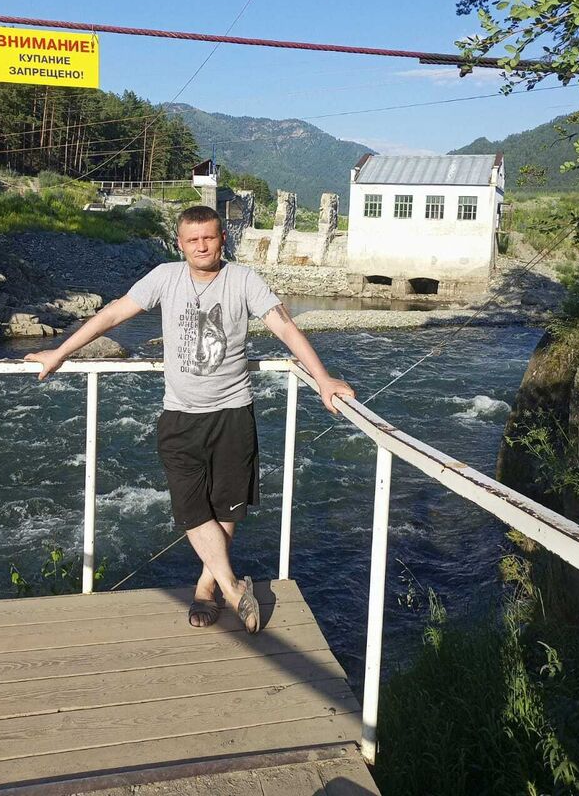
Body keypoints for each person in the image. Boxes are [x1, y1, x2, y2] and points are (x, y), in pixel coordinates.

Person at [25, 205, 354, 634]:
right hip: (180, 415)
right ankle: (234, 588)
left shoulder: (243, 280)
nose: (201, 246)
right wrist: (59, 352)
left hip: (233, 412)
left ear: (222, 239)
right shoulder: (165, 277)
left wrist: (323, 378)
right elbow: (113, 314)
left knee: (226, 504)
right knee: (191, 508)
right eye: (192, 239)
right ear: (180, 243)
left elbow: (285, 327)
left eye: (209, 238)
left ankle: (206, 586)